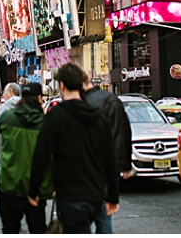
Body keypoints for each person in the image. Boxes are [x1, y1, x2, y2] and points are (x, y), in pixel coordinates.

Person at [28, 63, 119, 234]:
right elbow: (110, 158)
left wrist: (34, 190)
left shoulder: (56, 116)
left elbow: (41, 156)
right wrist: (112, 195)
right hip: (96, 193)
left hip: (70, 193)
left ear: (61, 85)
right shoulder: (99, 117)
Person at [0, 83, 53, 234]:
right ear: (40, 98)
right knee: (37, 228)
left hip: (10, 183)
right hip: (36, 188)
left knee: (9, 229)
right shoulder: (46, 123)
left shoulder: (7, 118)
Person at [83, 76, 134, 234]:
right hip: (109, 164)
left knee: (81, 218)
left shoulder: (81, 103)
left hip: (86, 165)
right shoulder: (112, 99)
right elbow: (125, 131)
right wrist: (126, 164)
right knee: (104, 216)